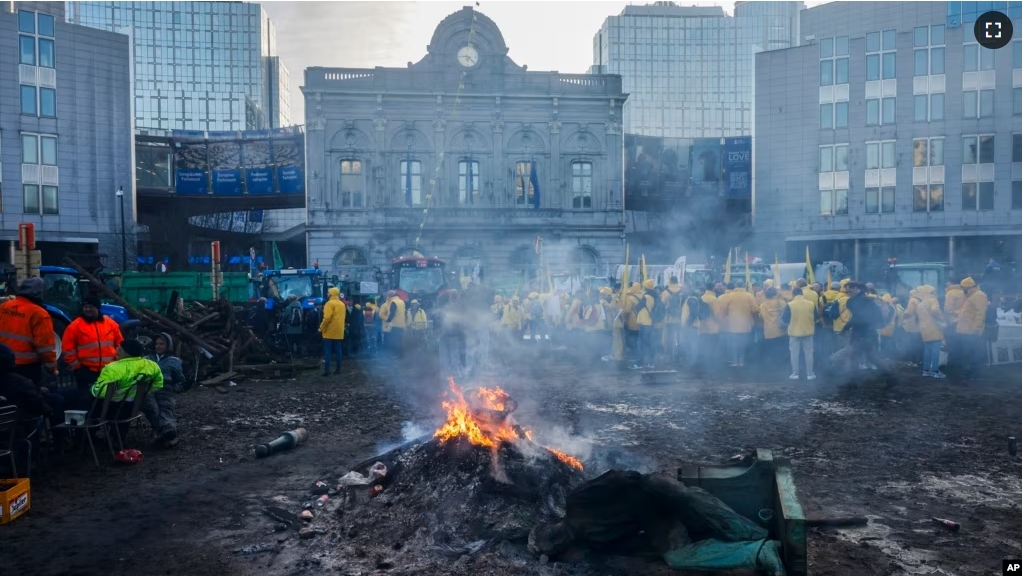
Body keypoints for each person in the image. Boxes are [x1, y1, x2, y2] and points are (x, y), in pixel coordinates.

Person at [90, 340, 165, 440]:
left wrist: (93, 387)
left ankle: (86, 437)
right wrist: (135, 393)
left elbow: (102, 393)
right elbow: (158, 385)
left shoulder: (112, 369)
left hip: (112, 409)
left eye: (119, 349)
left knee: (84, 402)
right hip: (132, 407)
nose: (117, 350)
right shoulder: (152, 365)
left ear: (127, 353)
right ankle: (118, 437)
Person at [62, 295, 124, 408]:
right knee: (87, 402)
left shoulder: (111, 324)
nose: (88, 309)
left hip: (109, 371)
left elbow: (120, 344)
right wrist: (77, 368)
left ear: (97, 308)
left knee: (108, 402)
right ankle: (90, 424)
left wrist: (117, 362)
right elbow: (68, 350)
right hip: (86, 372)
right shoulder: (75, 326)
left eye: (91, 307)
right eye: (85, 307)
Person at [0, 277, 58, 384]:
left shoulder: (4, 306)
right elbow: (45, 347)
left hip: (3, 363)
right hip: (27, 367)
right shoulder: (39, 314)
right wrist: (52, 369)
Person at [143, 333, 184, 446]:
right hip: (148, 387)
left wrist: (175, 388)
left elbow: (181, 379)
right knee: (152, 408)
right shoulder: (146, 359)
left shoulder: (174, 360)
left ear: (168, 345)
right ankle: (167, 432)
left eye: (162, 343)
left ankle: (167, 432)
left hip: (165, 387)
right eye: (156, 343)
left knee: (165, 406)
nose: (158, 346)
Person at [954, 277, 988, 382]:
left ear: (968, 288)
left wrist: (976, 328)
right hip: (966, 330)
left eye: (963, 288)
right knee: (968, 353)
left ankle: (975, 374)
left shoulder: (979, 296)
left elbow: (980, 314)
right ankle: (970, 372)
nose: (963, 291)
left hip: (972, 331)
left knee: (974, 353)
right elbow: (968, 311)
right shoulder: (972, 295)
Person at [719, 280, 758, 368]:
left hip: (732, 325)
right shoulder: (749, 296)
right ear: (744, 285)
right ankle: (741, 361)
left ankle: (734, 361)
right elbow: (755, 309)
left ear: (736, 286)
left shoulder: (729, 296)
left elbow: (723, 311)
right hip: (746, 325)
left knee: (734, 344)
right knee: (743, 344)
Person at [783, 287, 817, 380]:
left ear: (793, 294)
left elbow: (785, 319)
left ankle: (795, 374)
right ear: (802, 294)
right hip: (808, 332)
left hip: (794, 332)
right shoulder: (811, 304)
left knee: (794, 354)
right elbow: (816, 317)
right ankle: (810, 374)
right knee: (809, 353)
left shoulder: (790, 305)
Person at [914, 286, 945, 378]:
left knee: (927, 351)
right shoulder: (933, 300)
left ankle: (926, 370)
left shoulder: (920, 303)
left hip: (924, 330)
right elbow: (935, 310)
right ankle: (935, 371)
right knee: (935, 351)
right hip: (934, 329)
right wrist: (941, 319)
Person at [318, 287, 347, 376]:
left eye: (328, 293)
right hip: (339, 331)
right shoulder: (342, 304)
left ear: (331, 294)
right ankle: (338, 369)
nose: (327, 294)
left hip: (329, 331)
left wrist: (321, 328)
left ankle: (327, 370)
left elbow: (327, 318)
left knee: (327, 351)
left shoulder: (329, 304)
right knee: (338, 351)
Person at [758, 287, 787, 371]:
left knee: (771, 351)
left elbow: (761, 317)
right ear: (775, 294)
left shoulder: (763, 305)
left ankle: (772, 367)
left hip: (769, 332)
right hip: (781, 331)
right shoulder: (781, 303)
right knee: (781, 350)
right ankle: (782, 367)